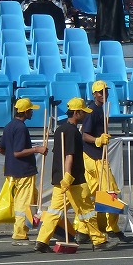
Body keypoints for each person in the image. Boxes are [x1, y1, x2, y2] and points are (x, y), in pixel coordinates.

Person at [35, 97, 118, 253]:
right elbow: (69, 156)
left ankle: (41, 241)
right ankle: (99, 241)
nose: (85, 115)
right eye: (83, 112)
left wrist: (63, 177)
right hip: (74, 180)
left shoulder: (60, 129)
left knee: (54, 211)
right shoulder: (73, 132)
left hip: (60, 180)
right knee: (87, 210)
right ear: (76, 112)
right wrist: (68, 175)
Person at [81, 81, 130, 243]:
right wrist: (98, 140)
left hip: (94, 157)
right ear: (94, 94)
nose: (104, 94)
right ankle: (112, 228)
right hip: (94, 158)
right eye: (101, 92)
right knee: (111, 192)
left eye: (105, 91)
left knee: (93, 195)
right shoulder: (92, 111)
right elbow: (84, 135)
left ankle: (82, 230)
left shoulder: (100, 109)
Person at [0, 98, 46, 245]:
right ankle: (19, 234)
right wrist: (37, 149)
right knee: (23, 203)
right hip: (24, 171)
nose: (32, 112)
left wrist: (12, 158)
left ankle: (31, 226)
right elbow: (18, 152)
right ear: (25, 111)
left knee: (31, 200)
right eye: (31, 110)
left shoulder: (9, 126)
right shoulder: (21, 128)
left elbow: (0, 148)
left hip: (12, 170)